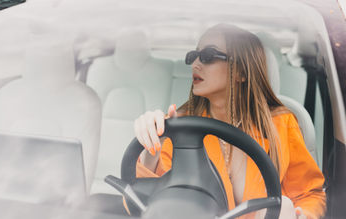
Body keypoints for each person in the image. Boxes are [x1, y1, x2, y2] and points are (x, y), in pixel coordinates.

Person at [133, 24, 326, 219]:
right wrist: (151, 153)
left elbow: (310, 194)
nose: (195, 64)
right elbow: (152, 202)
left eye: (208, 56)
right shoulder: (181, 127)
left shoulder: (281, 124)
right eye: (194, 55)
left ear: (242, 72)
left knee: (283, 205)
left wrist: (304, 215)